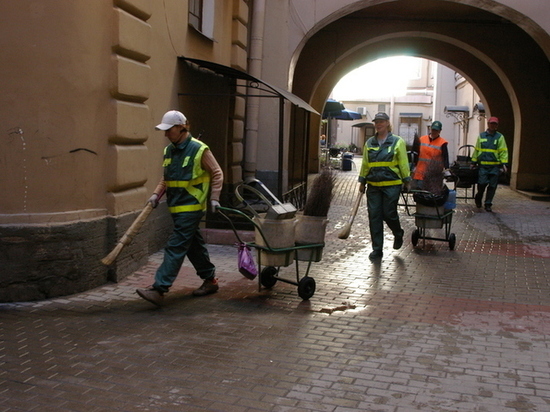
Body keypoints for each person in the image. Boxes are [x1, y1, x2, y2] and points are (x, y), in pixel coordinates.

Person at [136, 110, 224, 307]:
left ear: (181, 128)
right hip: (176, 207)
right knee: (193, 246)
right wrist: (155, 195)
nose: (166, 134)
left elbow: (217, 173)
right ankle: (210, 281)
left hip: (192, 207)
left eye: (169, 130)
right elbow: (166, 179)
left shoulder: (199, 149)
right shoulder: (169, 150)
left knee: (175, 245)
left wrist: (215, 198)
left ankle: (159, 289)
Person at [358, 112, 411, 260]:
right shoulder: (369, 143)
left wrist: (407, 180)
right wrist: (362, 181)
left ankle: (398, 233)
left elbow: (403, 163)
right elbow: (365, 164)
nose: (378, 124)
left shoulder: (397, 142)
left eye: (381, 121)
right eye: (376, 122)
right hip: (373, 186)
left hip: (391, 185)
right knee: (374, 216)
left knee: (389, 213)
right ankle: (377, 249)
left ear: (387, 123)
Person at [472, 116, 508, 212]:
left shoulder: (500, 137)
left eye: (495, 124)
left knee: (492, 186)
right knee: (482, 183)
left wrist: (504, 164)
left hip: (494, 166)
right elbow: (477, 150)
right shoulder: (481, 136)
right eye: (491, 123)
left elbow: (503, 151)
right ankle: (478, 197)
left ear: (497, 126)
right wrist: (473, 161)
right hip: (483, 166)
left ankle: (488, 204)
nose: (493, 125)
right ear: (488, 124)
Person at [411, 120, 449, 189]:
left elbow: (445, 157)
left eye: (436, 130)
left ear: (440, 131)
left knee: (432, 195)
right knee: (420, 194)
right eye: (433, 130)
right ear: (430, 129)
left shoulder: (443, 143)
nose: (434, 132)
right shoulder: (421, 139)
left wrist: (446, 169)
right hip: (420, 172)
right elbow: (415, 153)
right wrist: (413, 166)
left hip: (434, 174)